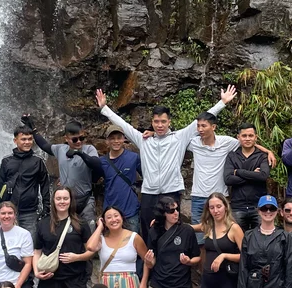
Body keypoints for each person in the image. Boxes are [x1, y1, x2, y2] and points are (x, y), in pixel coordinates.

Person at [95, 85, 235, 246]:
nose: (159, 125)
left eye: (163, 121)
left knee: (173, 228)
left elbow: (200, 121)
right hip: (149, 193)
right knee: (148, 230)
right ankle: (150, 262)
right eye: (156, 122)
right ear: (152, 123)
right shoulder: (143, 140)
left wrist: (222, 103)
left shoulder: (179, 138)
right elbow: (123, 125)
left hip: (172, 191)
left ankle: (172, 263)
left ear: (169, 122)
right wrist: (104, 108)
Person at [142, 195, 199, 288]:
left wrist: (189, 261)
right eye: (171, 211)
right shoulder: (154, 230)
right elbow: (152, 260)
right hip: (159, 284)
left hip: (182, 286)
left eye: (177, 209)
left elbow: (197, 257)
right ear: (163, 214)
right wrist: (149, 262)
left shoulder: (187, 231)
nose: (176, 213)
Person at [33, 185, 95, 288]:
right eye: (59, 198)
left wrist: (76, 257)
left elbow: (91, 252)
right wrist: (37, 272)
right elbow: (37, 252)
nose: (62, 201)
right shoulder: (43, 224)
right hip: (51, 279)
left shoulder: (80, 223)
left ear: (70, 201)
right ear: (53, 201)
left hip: (75, 279)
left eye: (65, 198)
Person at [30, 118, 102, 227]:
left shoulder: (89, 149)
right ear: (66, 139)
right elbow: (44, 146)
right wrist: (34, 130)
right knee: (65, 233)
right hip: (66, 201)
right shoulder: (61, 149)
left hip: (85, 199)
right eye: (74, 139)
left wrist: (80, 154)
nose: (79, 141)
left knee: (90, 232)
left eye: (81, 138)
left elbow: (97, 164)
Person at [85, 205, 149, 288]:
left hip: (129, 280)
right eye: (109, 217)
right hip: (107, 282)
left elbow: (147, 260)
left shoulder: (134, 237)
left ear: (122, 218)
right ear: (104, 221)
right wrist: (99, 228)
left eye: (116, 216)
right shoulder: (101, 239)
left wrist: (144, 282)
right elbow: (90, 247)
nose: (113, 220)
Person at [238, 194, 291, 288]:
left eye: (271, 209)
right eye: (264, 209)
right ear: (258, 211)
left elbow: (289, 266)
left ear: (277, 211)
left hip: (276, 287)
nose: (268, 212)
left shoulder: (284, 236)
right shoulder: (249, 236)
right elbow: (243, 266)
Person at [0, 124, 51, 233]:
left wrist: (46, 208)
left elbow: (45, 186)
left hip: (30, 212)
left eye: (30, 139)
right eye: (23, 139)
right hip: (9, 212)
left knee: (29, 244)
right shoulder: (7, 161)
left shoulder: (37, 161)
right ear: (15, 140)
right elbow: (0, 186)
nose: (27, 142)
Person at [196, 192, 243, 288]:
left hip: (227, 280)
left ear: (225, 207)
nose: (216, 211)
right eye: (212, 208)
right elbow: (187, 228)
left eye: (219, 206)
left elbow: (245, 256)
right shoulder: (208, 226)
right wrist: (162, 221)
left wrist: (224, 256)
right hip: (209, 281)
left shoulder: (234, 228)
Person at [223, 122, 272, 231]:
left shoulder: (262, 156)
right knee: (238, 242)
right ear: (238, 137)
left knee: (261, 240)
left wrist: (239, 172)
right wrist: (253, 174)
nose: (247, 139)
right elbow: (228, 179)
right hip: (237, 207)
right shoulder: (232, 156)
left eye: (250, 136)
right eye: (244, 136)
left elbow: (263, 176)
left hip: (259, 206)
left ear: (255, 137)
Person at [99, 128, 143, 231]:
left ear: (124, 139)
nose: (116, 141)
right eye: (112, 138)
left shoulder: (133, 157)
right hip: (111, 212)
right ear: (107, 141)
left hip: (130, 209)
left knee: (131, 243)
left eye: (119, 138)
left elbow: (147, 176)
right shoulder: (102, 162)